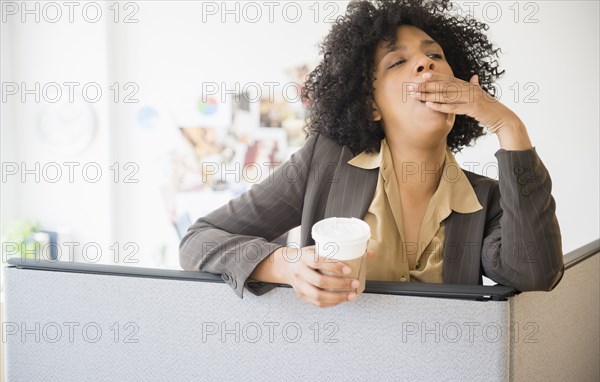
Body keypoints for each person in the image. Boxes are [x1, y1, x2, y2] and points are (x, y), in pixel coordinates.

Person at [179, 0, 564, 308]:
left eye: (435, 56)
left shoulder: (489, 200)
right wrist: (286, 264)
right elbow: (198, 241)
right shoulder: (324, 164)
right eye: (398, 61)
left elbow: (534, 274)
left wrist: (507, 126)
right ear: (371, 105)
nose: (426, 63)